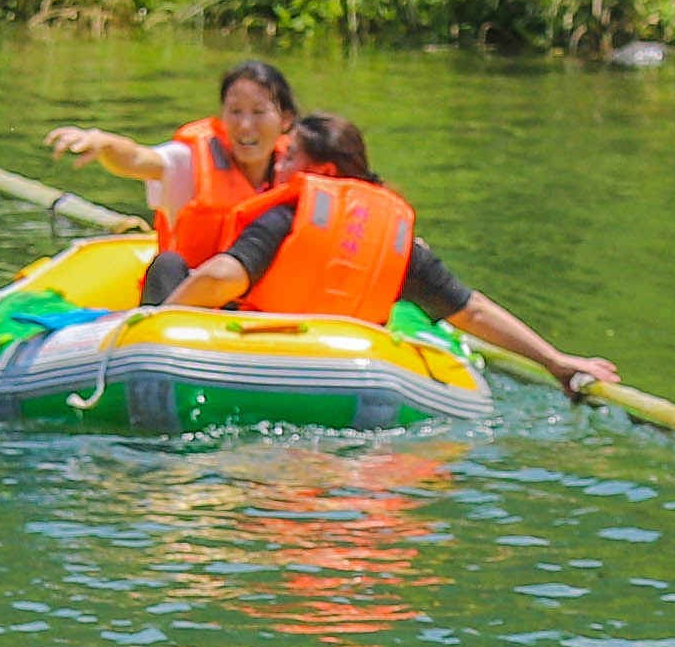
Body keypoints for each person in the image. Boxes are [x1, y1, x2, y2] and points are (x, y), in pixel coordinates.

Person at [158, 116, 622, 402]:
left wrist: (148, 327)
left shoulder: (287, 214)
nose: (279, 164)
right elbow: (472, 311)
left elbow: (220, 277)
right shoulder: (395, 241)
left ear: (322, 171)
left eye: (290, 156)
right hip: (352, 377)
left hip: (251, 365)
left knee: (168, 266)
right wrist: (556, 361)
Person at [45, 58, 301, 271]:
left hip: (261, 304)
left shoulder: (300, 169)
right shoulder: (189, 162)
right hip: (188, 296)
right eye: (235, 112)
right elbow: (137, 159)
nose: (245, 125)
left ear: (285, 120)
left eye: (258, 112)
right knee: (168, 264)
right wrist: (103, 143)